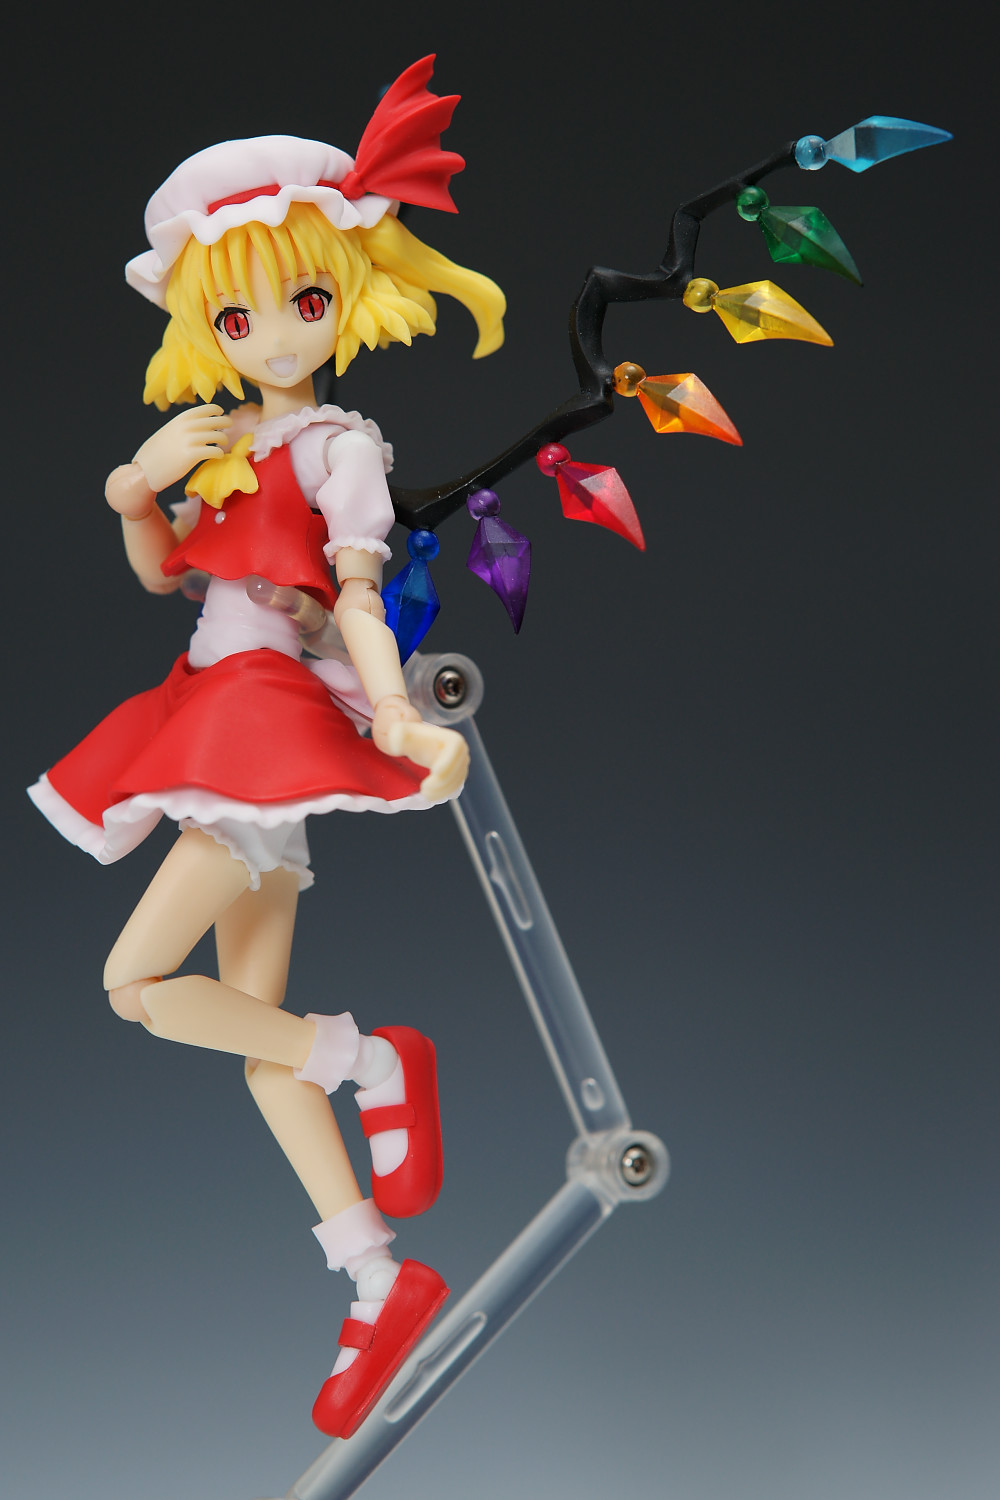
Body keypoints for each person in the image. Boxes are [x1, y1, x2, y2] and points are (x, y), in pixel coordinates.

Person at [27, 57, 506, 1440]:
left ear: (346, 292)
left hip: (255, 737)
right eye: (240, 315)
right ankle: (375, 1276)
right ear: (206, 324)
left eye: (304, 301)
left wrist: (399, 711)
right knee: (259, 1055)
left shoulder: (343, 446)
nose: (277, 335)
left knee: (134, 984)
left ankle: (371, 1061)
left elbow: (355, 594)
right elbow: (165, 573)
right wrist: (137, 489)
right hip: (219, 717)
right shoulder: (220, 439)